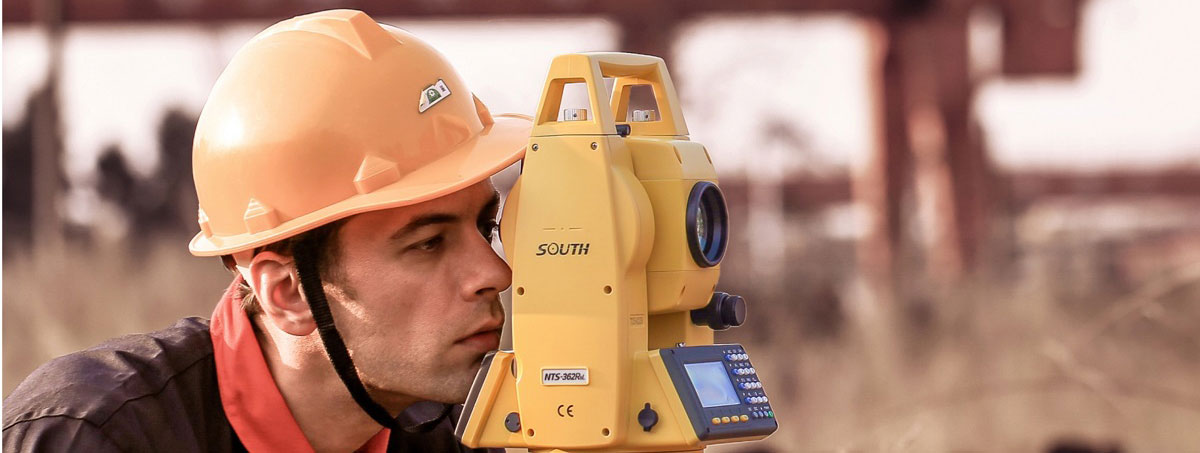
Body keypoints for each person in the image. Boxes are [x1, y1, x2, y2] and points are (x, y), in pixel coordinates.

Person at [3, 9, 532, 452]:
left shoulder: (466, 435)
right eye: (429, 243)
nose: (495, 273)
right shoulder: (93, 437)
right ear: (288, 293)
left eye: (485, 226)